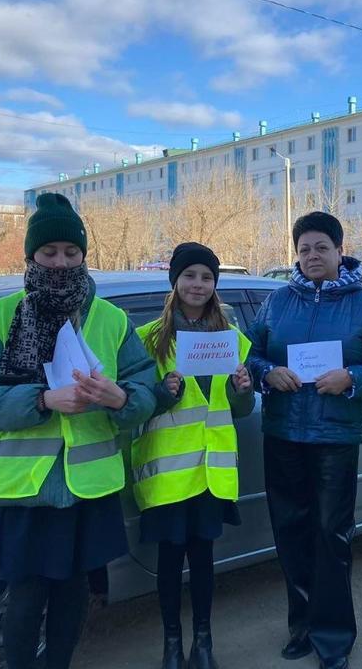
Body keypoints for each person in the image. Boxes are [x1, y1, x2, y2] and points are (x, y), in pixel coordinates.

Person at [0, 193, 156, 669]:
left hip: (89, 487)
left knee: (74, 592)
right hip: (26, 490)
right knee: (25, 597)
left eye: (71, 251)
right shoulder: (1, 316)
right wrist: (42, 400)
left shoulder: (112, 320)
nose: (61, 262)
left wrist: (120, 398)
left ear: (84, 255)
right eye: (49, 252)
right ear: (32, 256)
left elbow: (145, 389)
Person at [246, 212, 362, 669]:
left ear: (339, 251)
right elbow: (249, 353)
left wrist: (351, 377)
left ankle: (333, 638)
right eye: (304, 249)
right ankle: (302, 626)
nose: (312, 256)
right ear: (296, 254)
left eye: (321, 248)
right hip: (283, 433)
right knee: (290, 533)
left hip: (335, 436)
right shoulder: (277, 302)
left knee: (331, 536)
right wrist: (267, 372)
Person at [132, 242, 254, 669]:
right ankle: (171, 645)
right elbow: (135, 406)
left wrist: (242, 390)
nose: (198, 284)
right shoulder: (148, 339)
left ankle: (203, 643)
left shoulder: (232, 339)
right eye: (189, 276)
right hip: (167, 474)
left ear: (215, 284)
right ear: (175, 282)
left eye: (206, 277)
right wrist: (162, 394)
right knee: (169, 562)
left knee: (203, 560)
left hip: (209, 473)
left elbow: (240, 409)